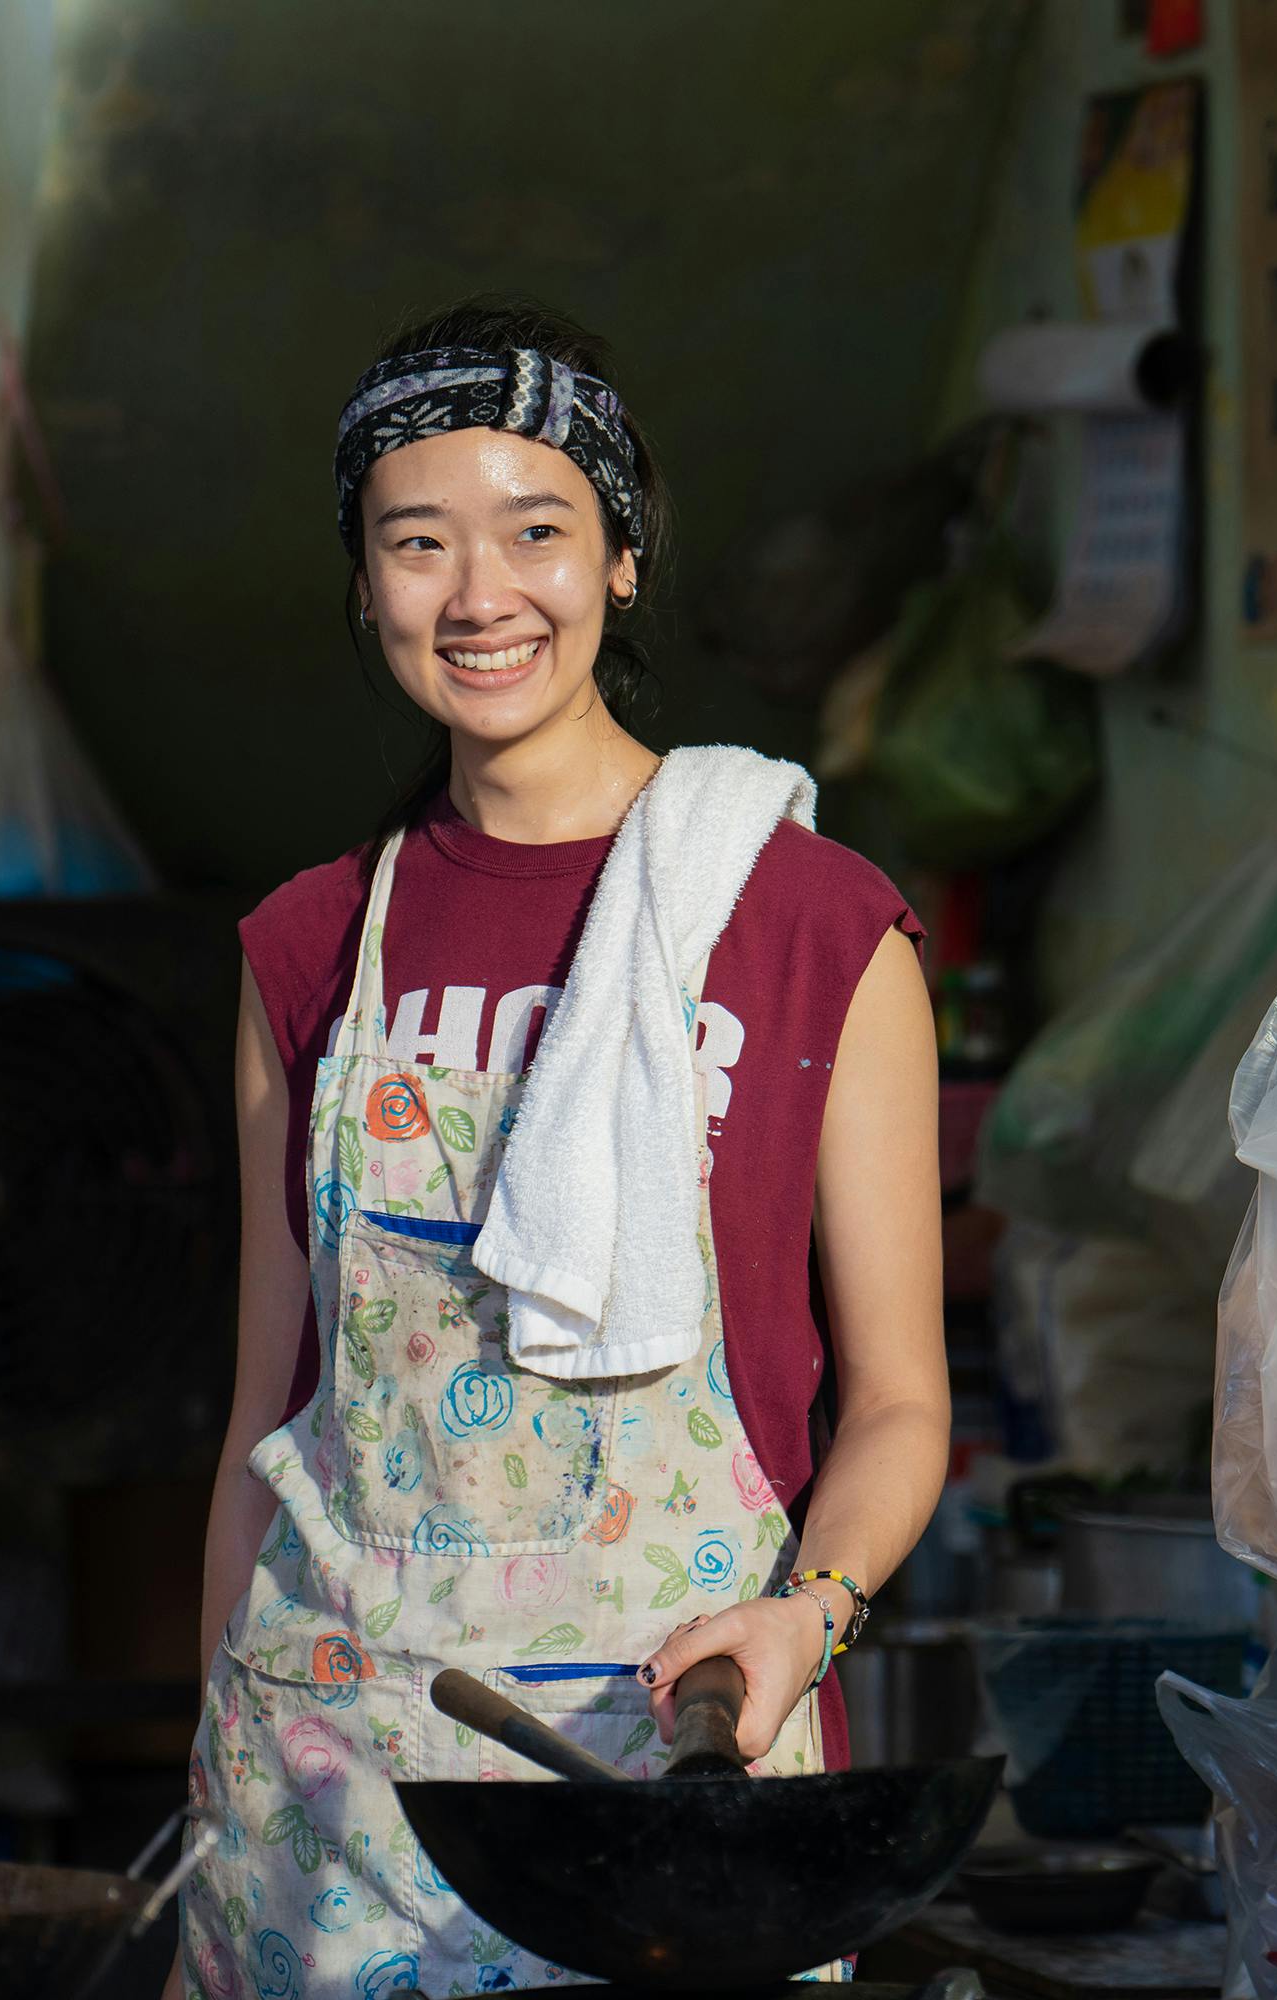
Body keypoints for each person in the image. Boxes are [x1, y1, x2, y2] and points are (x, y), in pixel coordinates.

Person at [167, 298, 948, 2000]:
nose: (480, 596)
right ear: (362, 582)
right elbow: (266, 1420)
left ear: (626, 558)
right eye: (417, 542)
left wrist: (809, 1618)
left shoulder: (808, 925)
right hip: (341, 1795)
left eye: (537, 533)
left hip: (677, 1775)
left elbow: (896, 1405)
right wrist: (222, 1806)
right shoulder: (308, 949)